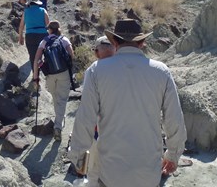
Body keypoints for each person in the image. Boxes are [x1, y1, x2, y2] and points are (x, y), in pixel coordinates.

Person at [68, 19, 187, 187]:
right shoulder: (161, 72)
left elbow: (85, 118)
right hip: (149, 172)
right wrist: (173, 155)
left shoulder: (96, 71)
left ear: (114, 41)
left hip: (110, 172)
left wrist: (79, 157)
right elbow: (174, 119)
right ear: (143, 42)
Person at [32, 20, 74, 142]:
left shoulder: (44, 41)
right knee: (62, 99)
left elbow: (36, 60)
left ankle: (58, 121)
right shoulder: (64, 39)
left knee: (55, 97)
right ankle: (58, 126)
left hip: (50, 74)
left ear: (49, 29)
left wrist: (35, 78)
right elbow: (71, 55)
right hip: (63, 73)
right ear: (59, 29)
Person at [84, 36, 115, 185]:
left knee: (94, 170)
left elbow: (88, 108)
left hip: (98, 132)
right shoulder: (127, 70)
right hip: (123, 132)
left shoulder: (93, 71)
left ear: (97, 52)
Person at [17, 0, 49, 66]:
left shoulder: (26, 12)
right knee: (47, 55)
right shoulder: (43, 11)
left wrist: (20, 38)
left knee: (33, 57)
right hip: (43, 36)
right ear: (38, 2)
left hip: (30, 36)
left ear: (30, 3)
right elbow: (48, 25)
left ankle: (35, 75)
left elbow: (21, 26)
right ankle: (47, 73)